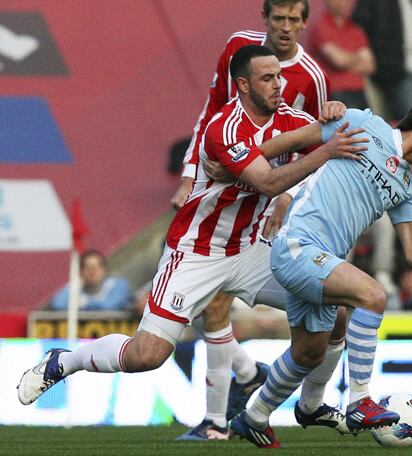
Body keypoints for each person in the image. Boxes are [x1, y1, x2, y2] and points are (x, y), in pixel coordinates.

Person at [17, 46, 367, 440]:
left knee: (335, 306)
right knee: (146, 356)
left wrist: (338, 114)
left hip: (252, 249)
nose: (279, 84)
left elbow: (333, 133)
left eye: (279, 76)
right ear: (243, 85)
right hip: (197, 252)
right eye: (268, 78)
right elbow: (268, 181)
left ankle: (312, 404)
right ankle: (65, 360)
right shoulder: (224, 127)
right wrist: (326, 149)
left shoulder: (291, 119)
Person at [230, 91, 412, 448]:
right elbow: (288, 141)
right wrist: (238, 167)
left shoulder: (408, 187)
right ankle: (358, 400)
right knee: (372, 295)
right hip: (296, 247)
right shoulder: (364, 124)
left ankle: (254, 416)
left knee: (309, 351)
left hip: (323, 261)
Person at [169, 0, 337, 440]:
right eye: (277, 18)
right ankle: (234, 393)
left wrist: (285, 199)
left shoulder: (313, 77)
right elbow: (210, 109)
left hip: (269, 194)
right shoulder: (237, 48)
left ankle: (220, 417)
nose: (284, 28)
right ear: (264, 20)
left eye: (292, 20)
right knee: (212, 302)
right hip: (222, 179)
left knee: (221, 301)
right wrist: (191, 173)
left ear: (304, 23)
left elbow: (315, 143)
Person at [308, 0, 376, 109]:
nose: (343, 3)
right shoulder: (321, 28)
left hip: (359, 92)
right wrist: (357, 58)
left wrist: (346, 59)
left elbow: (369, 66)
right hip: (334, 94)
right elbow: (338, 61)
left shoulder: (356, 30)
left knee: (367, 124)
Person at [50, 250, 133, 312]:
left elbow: (109, 306)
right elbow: (58, 304)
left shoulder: (119, 285)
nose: (92, 272)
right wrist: (76, 284)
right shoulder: (79, 287)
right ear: (81, 271)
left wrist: (84, 303)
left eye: (96, 267)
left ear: (104, 269)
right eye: (87, 268)